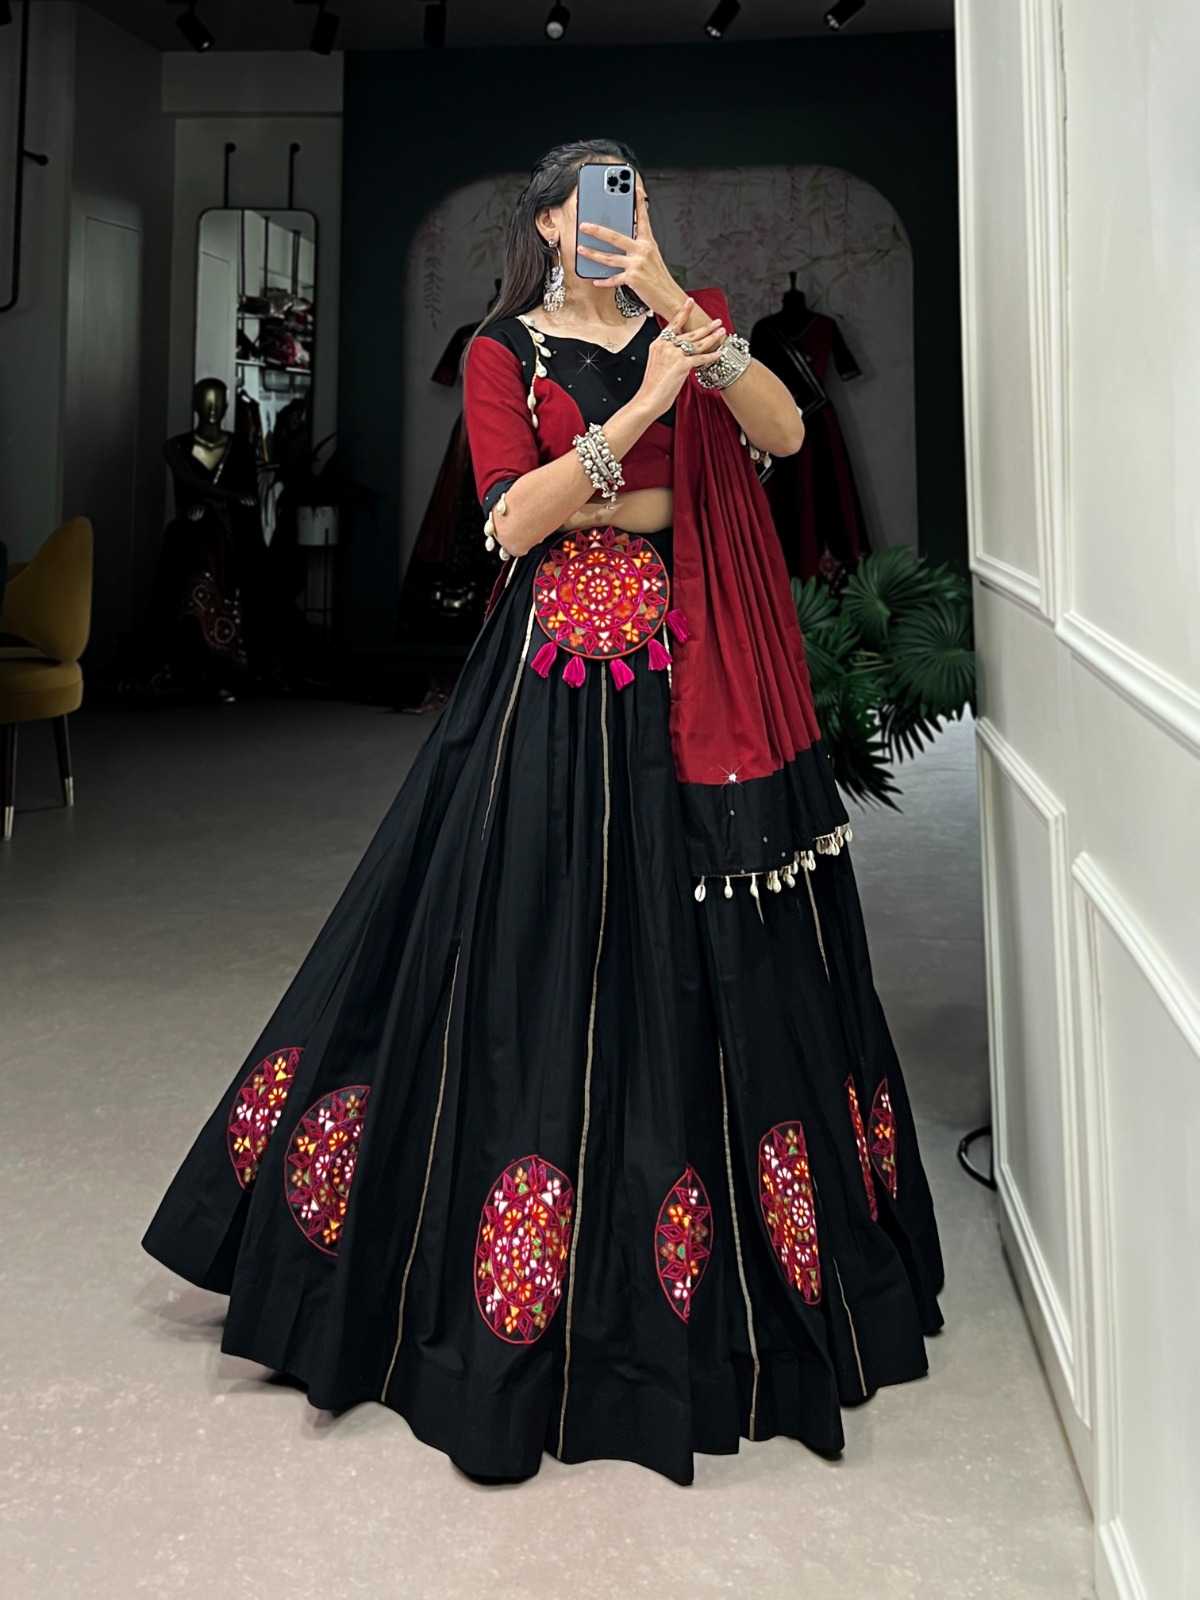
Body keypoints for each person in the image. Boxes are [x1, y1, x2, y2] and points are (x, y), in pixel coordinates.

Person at [141, 139, 944, 1487]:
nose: (618, 217)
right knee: (518, 934)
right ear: (550, 224)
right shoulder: (503, 351)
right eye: (595, 200)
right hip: (549, 690)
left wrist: (675, 332)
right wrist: (639, 426)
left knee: (698, 947)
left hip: (694, 683)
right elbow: (514, 522)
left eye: (637, 196)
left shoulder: (691, 321)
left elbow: (783, 437)